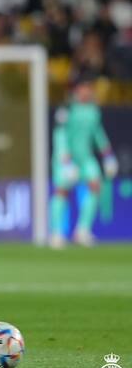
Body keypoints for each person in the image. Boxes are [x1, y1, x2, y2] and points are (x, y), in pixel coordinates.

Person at [49, 73, 117, 248]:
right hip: (65, 158)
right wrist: (65, 160)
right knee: (62, 191)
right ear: (77, 90)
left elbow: (97, 134)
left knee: (96, 186)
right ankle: (56, 233)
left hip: (85, 158)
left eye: (89, 88)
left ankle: (82, 231)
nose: (86, 91)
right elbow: (60, 134)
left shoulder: (93, 110)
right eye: (83, 88)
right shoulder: (67, 108)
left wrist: (108, 155)